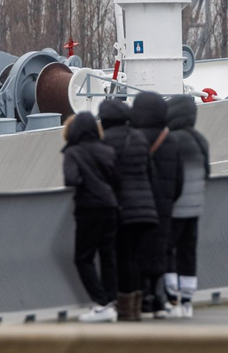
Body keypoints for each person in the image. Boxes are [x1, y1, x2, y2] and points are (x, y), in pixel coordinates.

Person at [99, 98, 159, 321]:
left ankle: (126, 309)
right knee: (136, 257)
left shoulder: (106, 142)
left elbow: (105, 177)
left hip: (122, 209)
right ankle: (136, 307)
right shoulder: (139, 138)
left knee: (123, 258)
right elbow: (151, 174)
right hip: (146, 208)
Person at [130, 92, 184, 320]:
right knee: (160, 248)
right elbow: (180, 179)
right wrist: (170, 197)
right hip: (164, 204)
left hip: (137, 204)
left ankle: (144, 297)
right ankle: (159, 297)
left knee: (138, 249)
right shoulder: (170, 140)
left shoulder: (133, 139)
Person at [62, 111, 120, 323]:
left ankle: (101, 302)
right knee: (108, 256)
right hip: (111, 207)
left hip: (89, 209)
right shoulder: (106, 149)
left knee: (83, 258)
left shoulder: (73, 152)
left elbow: (71, 179)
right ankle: (111, 302)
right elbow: (116, 177)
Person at [164, 95, 209, 319]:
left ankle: (172, 299)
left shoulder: (170, 140)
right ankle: (188, 299)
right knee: (188, 251)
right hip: (196, 206)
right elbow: (207, 172)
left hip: (174, 207)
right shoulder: (201, 140)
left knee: (168, 249)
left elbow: (167, 174)